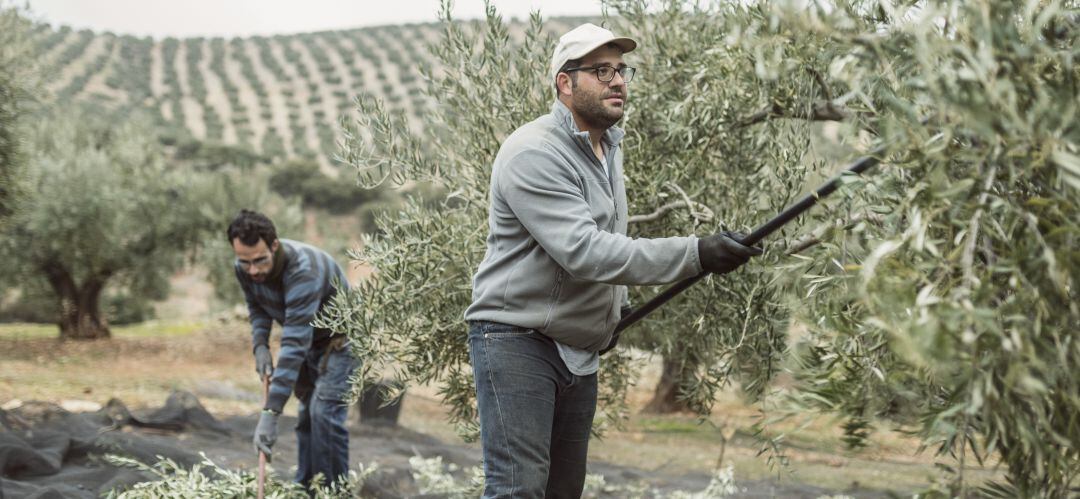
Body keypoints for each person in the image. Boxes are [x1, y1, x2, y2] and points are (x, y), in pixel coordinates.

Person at [463, 23, 763, 498]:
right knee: (518, 490)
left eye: (621, 70)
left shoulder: (607, 147)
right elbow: (586, 250)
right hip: (516, 339)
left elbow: (607, 237)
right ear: (565, 82)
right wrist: (696, 253)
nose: (618, 81)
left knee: (564, 491)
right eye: (601, 71)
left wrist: (613, 309)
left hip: (577, 348)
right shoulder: (533, 152)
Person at [227, 209, 357, 489]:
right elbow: (257, 306)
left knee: (323, 413)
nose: (253, 271)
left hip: (341, 342)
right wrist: (259, 345)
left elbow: (295, 342)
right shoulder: (245, 267)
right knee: (306, 416)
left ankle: (334, 492)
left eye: (260, 260)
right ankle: (306, 489)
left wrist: (270, 414)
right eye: (245, 262)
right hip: (310, 344)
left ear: (274, 246)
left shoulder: (303, 270)